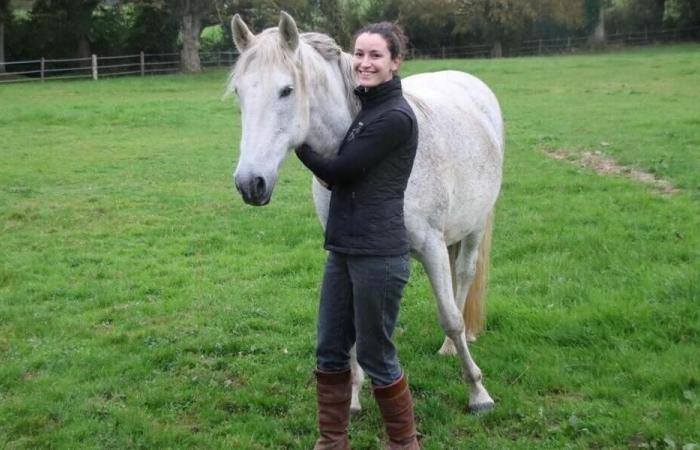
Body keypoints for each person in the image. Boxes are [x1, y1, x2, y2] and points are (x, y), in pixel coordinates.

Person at [295, 22, 420, 450]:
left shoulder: (395, 118)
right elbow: (337, 180)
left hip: (379, 258)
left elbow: (339, 172)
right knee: (329, 349)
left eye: (376, 56)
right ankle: (332, 442)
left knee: (376, 356)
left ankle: (404, 444)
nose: (364, 63)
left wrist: (296, 139)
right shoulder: (365, 110)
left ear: (395, 62)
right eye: (359, 54)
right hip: (344, 251)